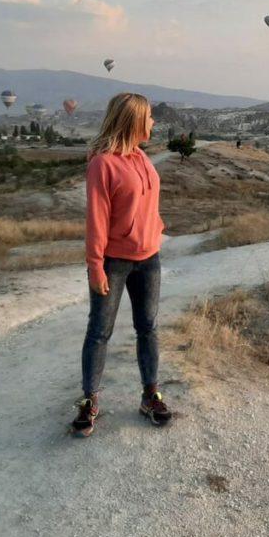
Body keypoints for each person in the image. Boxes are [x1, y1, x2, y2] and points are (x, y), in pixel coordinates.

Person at [72, 93, 172, 437]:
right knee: (100, 331)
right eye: (149, 117)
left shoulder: (142, 157)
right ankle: (89, 401)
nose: (154, 123)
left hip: (149, 258)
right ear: (133, 121)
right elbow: (96, 220)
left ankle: (150, 395)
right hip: (114, 261)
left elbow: (148, 200)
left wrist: (154, 228)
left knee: (148, 328)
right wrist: (95, 265)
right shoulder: (102, 164)